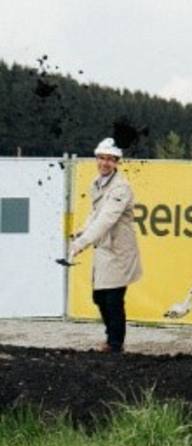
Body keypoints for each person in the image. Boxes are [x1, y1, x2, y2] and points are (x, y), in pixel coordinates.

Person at [67, 137, 142, 353]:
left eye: (110, 159)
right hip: (104, 250)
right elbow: (95, 213)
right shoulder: (96, 183)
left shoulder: (121, 188)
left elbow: (106, 219)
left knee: (113, 299)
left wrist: (82, 242)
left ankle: (115, 344)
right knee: (99, 297)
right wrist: (82, 229)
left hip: (119, 253)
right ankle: (112, 340)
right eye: (101, 158)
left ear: (117, 162)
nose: (105, 163)